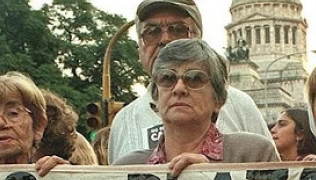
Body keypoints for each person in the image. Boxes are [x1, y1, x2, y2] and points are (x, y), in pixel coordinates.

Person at [108, 0, 270, 162]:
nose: (165, 39)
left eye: (177, 29)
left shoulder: (242, 108)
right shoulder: (123, 121)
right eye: (152, 32)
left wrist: (211, 179)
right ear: (140, 46)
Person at [112, 39, 279, 171]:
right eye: (167, 78)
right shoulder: (127, 168)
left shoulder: (254, 154)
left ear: (218, 100)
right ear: (156, 98)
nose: (178, 89)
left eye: (194, 79)